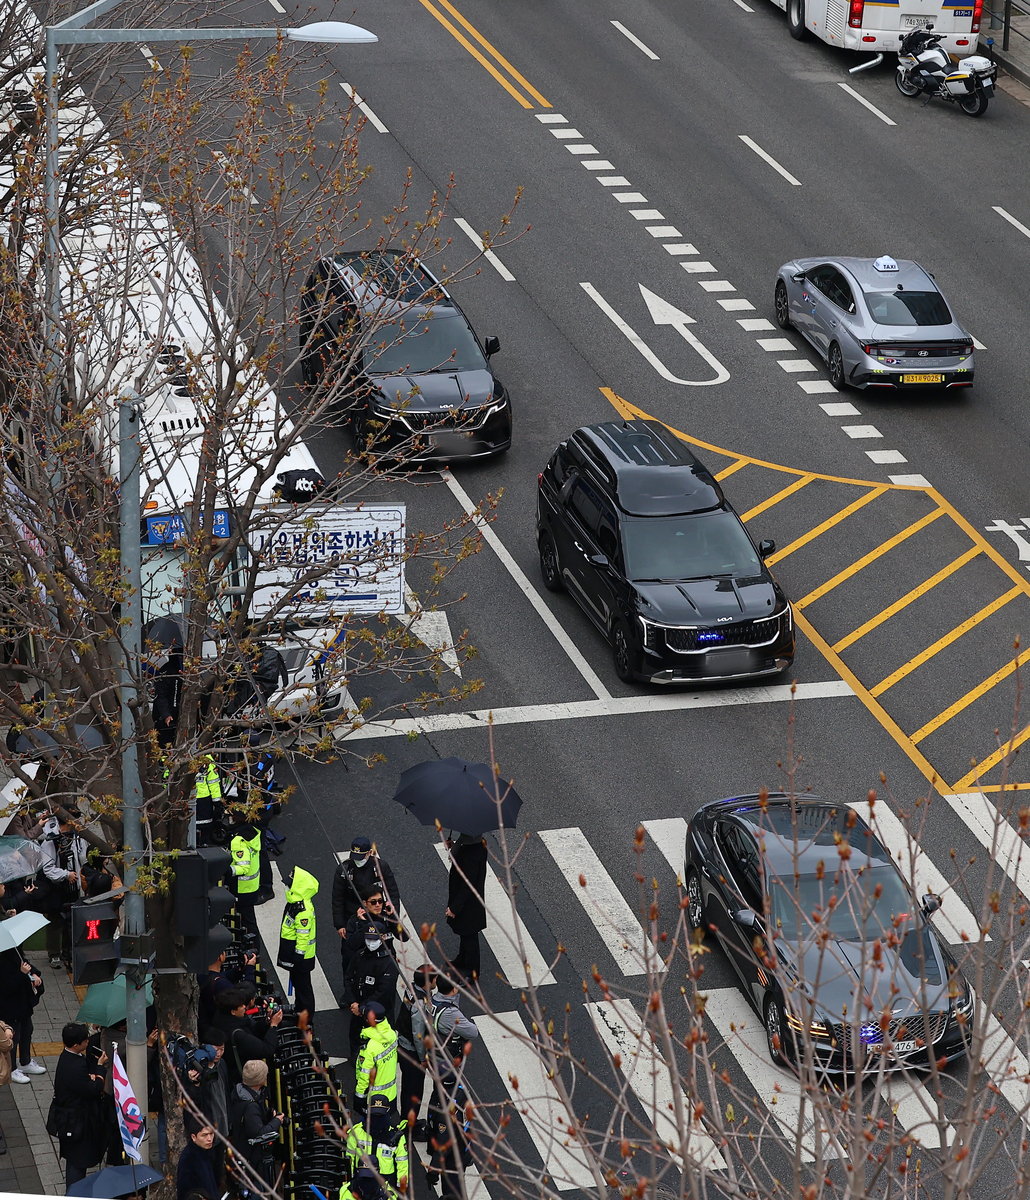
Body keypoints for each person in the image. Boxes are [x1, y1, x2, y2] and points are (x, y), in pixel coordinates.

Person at [48, 1021, 106, 1187]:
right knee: (77, 1162)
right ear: (75, 1044)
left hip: (69, 1119)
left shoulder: (69, 1058)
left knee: (74, 1159)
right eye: (85, 1040)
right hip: (76, 1122)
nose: (88, 1041)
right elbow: (94, 1090)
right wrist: (100, 1069)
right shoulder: (74, 1066)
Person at [333, 838, 400, 969]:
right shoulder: (344, 870)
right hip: (352, 918)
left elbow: (393, 892)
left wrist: (393, 915)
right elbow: (337, 898)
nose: (357, 860)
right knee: (349, 956)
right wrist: (340, 924)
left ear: (369, 853)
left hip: (378, 917)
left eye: (361, 856)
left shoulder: (381, 867)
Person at [340, 923, 399, 1058]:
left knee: (381, 1041)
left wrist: (362, 1007)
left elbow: (384, 992)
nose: (371, 943)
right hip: (358, 1006)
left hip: (378, 1011)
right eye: (369, 939)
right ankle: (355, 1054)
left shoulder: (389, 963)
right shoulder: (360, 955)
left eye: (375, 939)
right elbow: (348, 978)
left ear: (383, 937)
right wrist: (353, 1002)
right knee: (355, 1033)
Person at [39, 815, 90, 967]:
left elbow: (81, 858)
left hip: (73, 887)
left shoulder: (77, 838)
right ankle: (54, 954)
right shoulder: (51, 841)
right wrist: (66, 875)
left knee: (72, 920)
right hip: (56, 888)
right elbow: (47, 868)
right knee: (55, 921)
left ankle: (69, 952)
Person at [228, 1059, 282, 1191]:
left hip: (244, 1151)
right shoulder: (251, 1106)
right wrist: (277, 1121)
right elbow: (259, 1133)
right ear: (260, 1079)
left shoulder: (240, 1093)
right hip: (253, 1158)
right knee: (258, 1190)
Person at [212, 988, 282, 1087]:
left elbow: (252, 1029)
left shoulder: (224, 1018)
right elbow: (266, 1049)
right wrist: (273, 1026)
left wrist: (267, 1020)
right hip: (242, 1079)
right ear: (233, 1011)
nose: (245, 1007)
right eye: (241, 1006)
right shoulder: (237, 1034)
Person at [276, 866, 318, 1024]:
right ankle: (300, 1009)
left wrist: (297, 957)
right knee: (300, 986)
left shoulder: (303, 910)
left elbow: (302, 937)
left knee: (303, 988)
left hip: (301, 957)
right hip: (297, 955)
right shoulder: (296, 903)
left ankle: (306, 1019)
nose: (287, 886)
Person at [396, 967, 435, 1133]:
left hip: (403, 1045)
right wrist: (422, 1058)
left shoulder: (412, 989)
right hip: (411, 1051)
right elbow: (418, 1034)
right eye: (434, 979)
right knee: (414, 1091)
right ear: (427, 983)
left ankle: (407, 1120)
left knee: (407, 1088)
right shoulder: (420, 1002)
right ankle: (409, 1127)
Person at [0, 943, 45, 1084]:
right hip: (8, 1006)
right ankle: (12, 1068)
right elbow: (5, 987)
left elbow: (26, 963)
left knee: (27, 1031)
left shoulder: (14, 951)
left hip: (22, 1002)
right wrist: (22, 974)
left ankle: (25, 1062)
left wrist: (34, 974)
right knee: (14, 1036)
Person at [445, 833, 488, 983]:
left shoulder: (472, 854)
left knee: (470, 937)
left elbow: (467, 885)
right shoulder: (476, 846)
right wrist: (454, 846)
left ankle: (471, 972)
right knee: (465, 933)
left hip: (468, 903)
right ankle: (462, 960)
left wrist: (454, 908)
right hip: (469, 902)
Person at [353, 1002, 398, 1135]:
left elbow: (364, 1075)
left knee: (369, 1133)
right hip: (391, 1094)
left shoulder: (371, 1047)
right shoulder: (391, 1034)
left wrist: (359, 1097)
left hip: (374, 1100)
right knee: (386, 1130)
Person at [430, 976, 479, 1083]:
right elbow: (473, 1032)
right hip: (447, 1056)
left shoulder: (433, 1000)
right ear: (454, 989)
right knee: (448, 1087)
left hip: (434, 1049)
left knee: (438, 1086)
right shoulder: (450, 1013)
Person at [198, 947, 256, 1034]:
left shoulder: (202, 975)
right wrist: (250, 970)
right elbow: (245, 994)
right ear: (220, 957)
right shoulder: (221, 985)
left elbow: (221, 976)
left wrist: (240, 969)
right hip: (224, 1029)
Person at [342, 887, 409, 961]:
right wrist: (363, 924)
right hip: (366, 964)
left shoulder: (387, 917)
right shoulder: (355, 920)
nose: (377, 905)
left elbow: (405, 937)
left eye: (380, 901)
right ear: (365, 903)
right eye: (373, 902)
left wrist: (392, 917)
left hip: (388, 963)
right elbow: (352, 945)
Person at [228, 814, 263, 933]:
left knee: (247, 922)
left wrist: (227, 870)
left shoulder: (239, 841)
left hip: (242, 889)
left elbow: (243, 868)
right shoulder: (252, 831)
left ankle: (253, 948)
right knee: (249, 921)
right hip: (252, 886)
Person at [177, 1114, 219, 1200]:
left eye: (211, 1134)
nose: (209, 1139)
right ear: (193, 1137)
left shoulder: (207, 1152)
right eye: (204, 1135)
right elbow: (185, 1193)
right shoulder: (188, 1160)